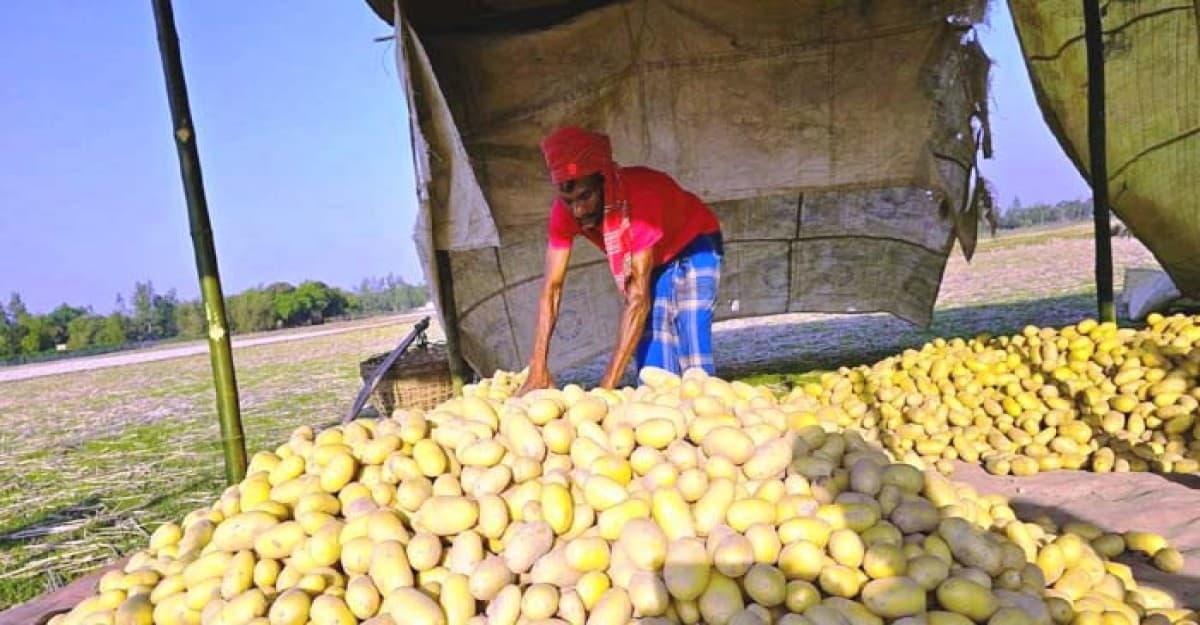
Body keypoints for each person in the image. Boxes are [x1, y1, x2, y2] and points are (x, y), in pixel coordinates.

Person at [516, 126, 724, 395]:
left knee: (690, 327)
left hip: (695, 240)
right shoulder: (564, 212)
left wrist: (605, 389)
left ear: (604, 181)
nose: (578, 210)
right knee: (653, 350)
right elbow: (551, 289)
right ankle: (660, 410)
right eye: (569, 200)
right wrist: (538, 365)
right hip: (655, 253)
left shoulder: (640, 201)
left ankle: (704, 405)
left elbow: (638, 299)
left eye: (585, 196)